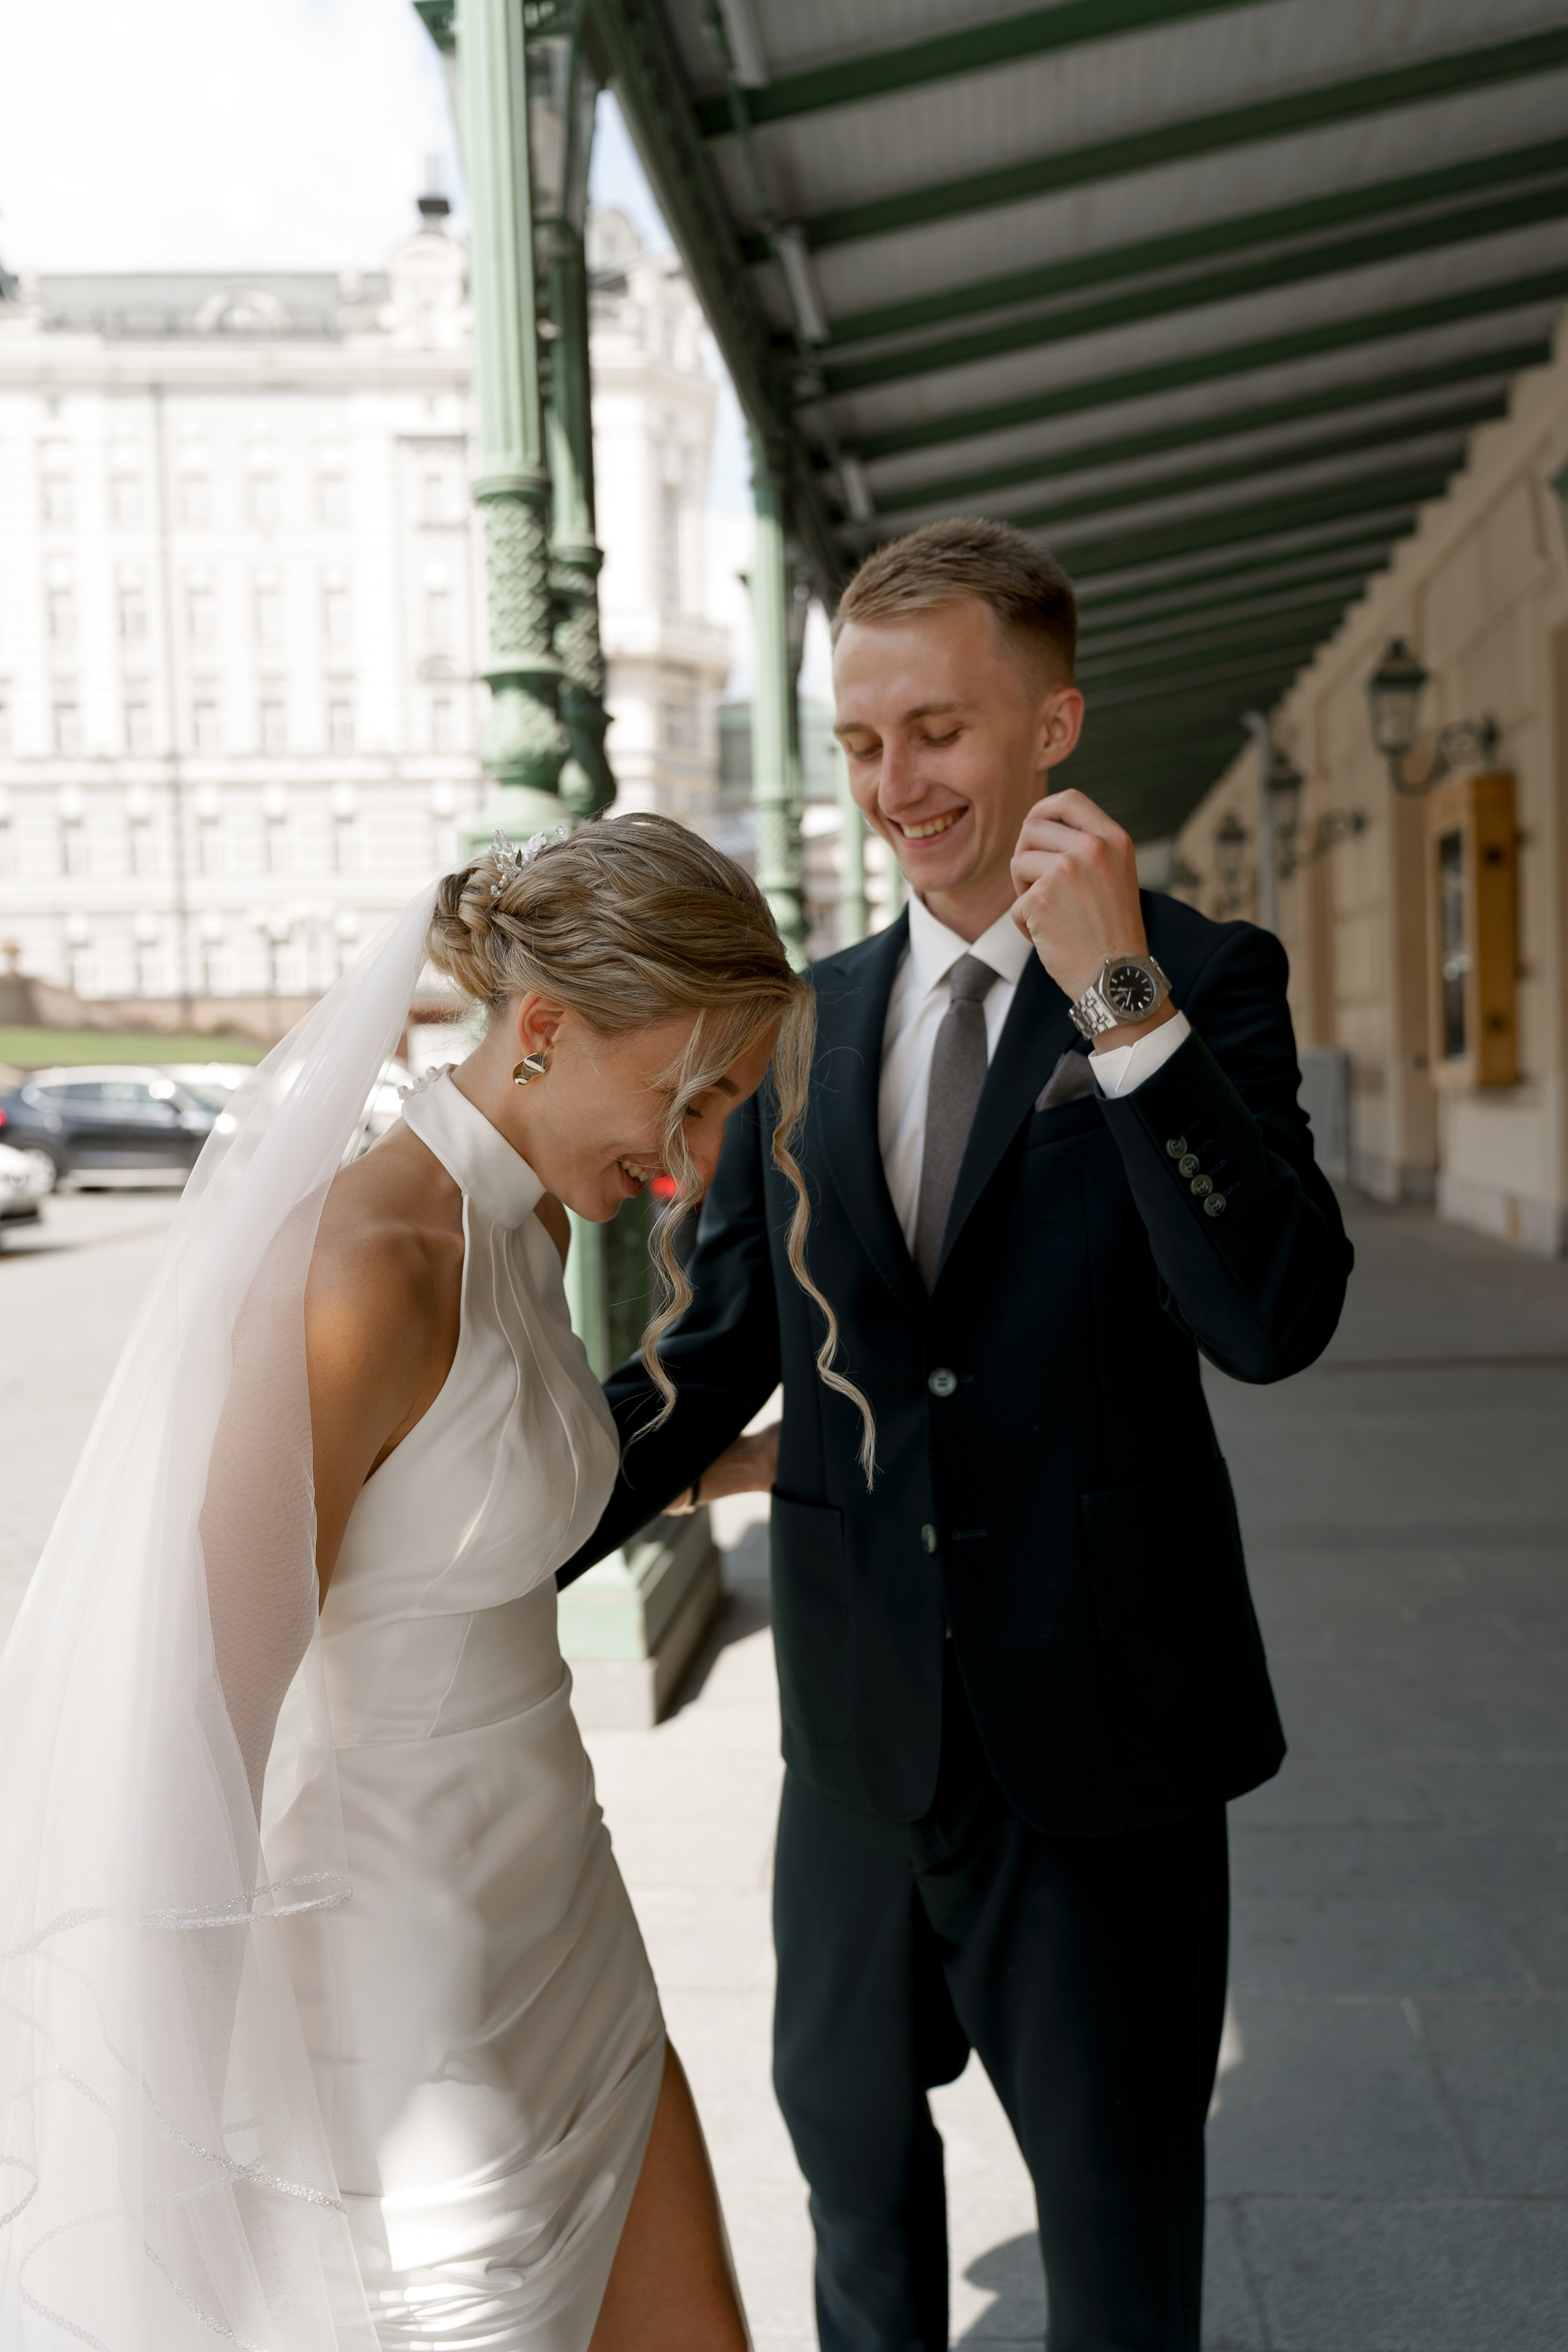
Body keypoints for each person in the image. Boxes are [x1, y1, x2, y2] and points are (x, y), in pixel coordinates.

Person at [559, 520, 1354, 2351]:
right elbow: (714, 1348)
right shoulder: (803, 1024)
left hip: (1105, 1742)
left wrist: (1122, 1001)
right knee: (850, 2186)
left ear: (1052, 723)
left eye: (940, 732)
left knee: (1119, 2233)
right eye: (859, 741)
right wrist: (485, 1529)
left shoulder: (1199, 978)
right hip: (853, 1740)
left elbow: (1275, 1316)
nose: (895, 784)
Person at [0, 813, 870, 2350]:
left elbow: (472, 1505)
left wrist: (736, 1468)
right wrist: (171, 2132)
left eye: (726, 1104)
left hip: (568, 1932)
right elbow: (197, 1718)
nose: (696, 1156)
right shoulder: (364, 1271)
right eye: (684, 1093)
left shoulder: (519, 1224)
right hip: (417, 2031)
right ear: (542, 1028)